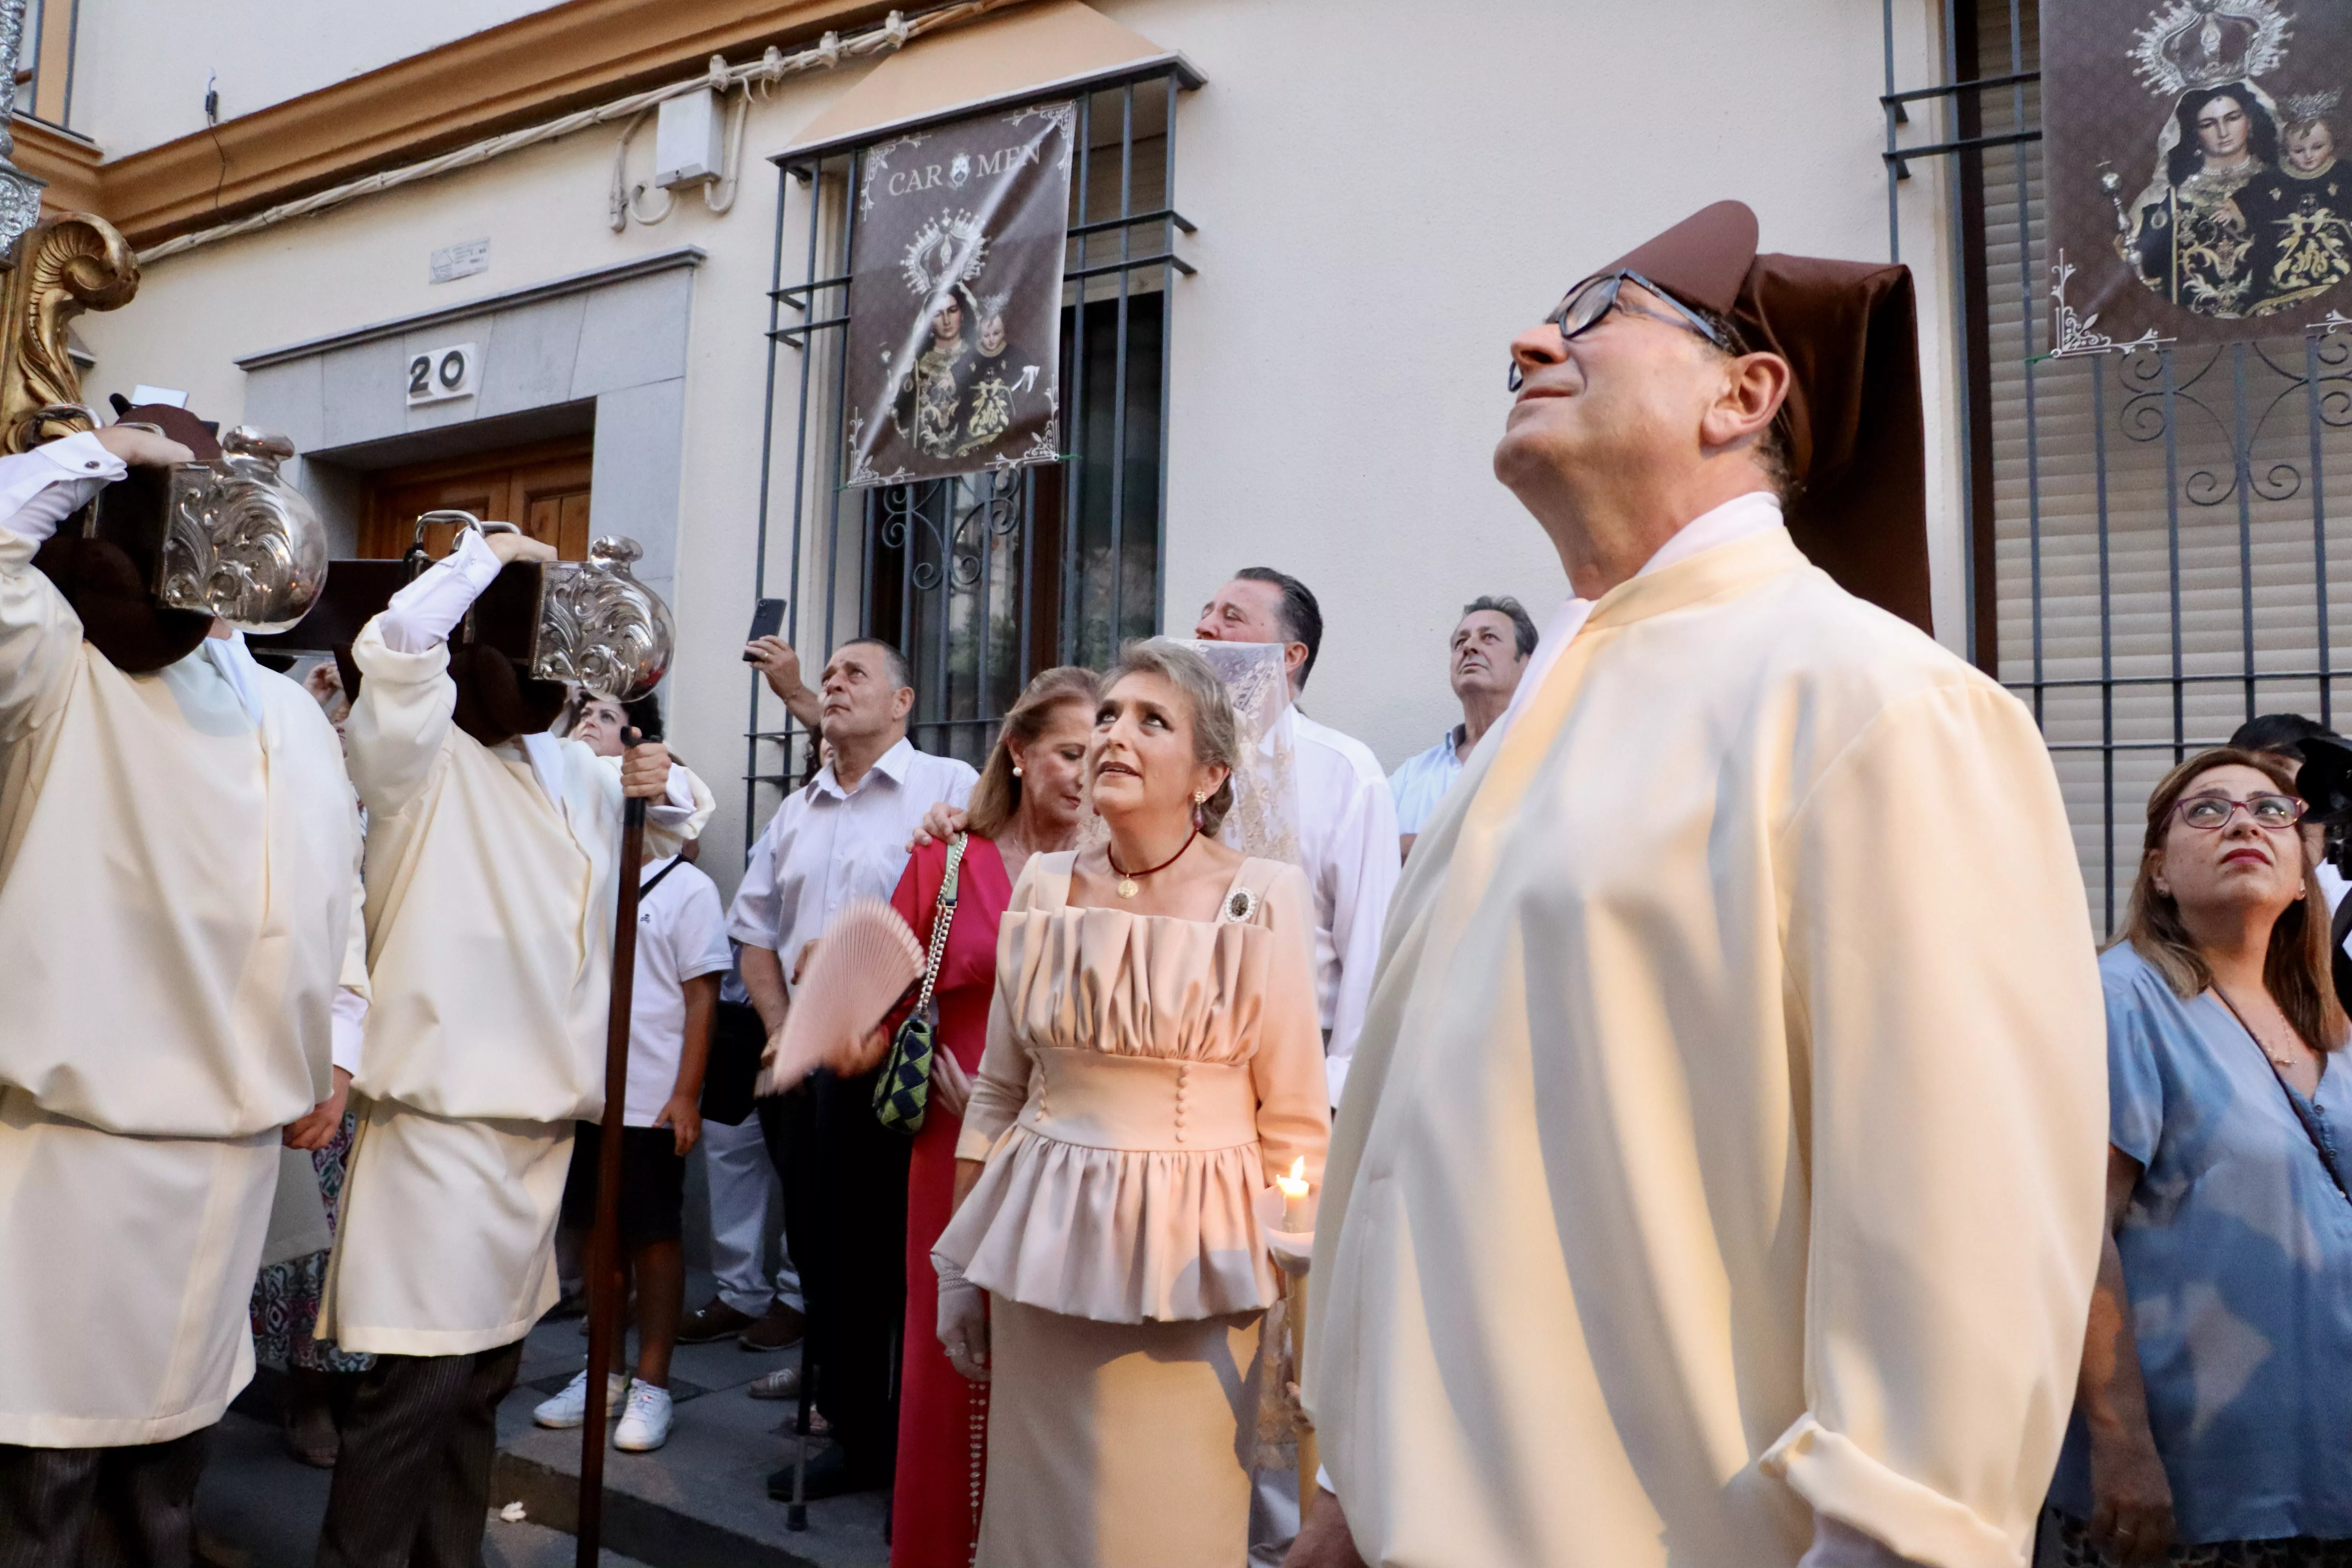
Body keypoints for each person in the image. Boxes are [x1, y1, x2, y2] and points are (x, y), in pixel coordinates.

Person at [1289, 201, 2107, 1568]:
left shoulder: (1877, 705)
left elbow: (1958, 1208)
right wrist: (1347, 1490)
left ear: (1746, 391)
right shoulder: (1521, 739)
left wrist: (1892, 1540)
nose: (1532, 341)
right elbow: (1416, 1125)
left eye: (1599, 311)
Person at [0, 420, 366, 1566]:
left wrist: (340, 1038)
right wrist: (100, 456)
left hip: (237, 1151)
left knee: (171, 1466)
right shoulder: (62, 672)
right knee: (43, 1467)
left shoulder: (297, 712)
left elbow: (335, 895)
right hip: (73, 1152)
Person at [314, 524, 707, 1568]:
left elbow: (676, 814)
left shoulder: (565, 769)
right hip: (438, 1129)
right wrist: (490, 555)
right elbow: (397, 641)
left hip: (539, 1132)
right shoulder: (416, 755)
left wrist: (653, 773)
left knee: (481, 1386)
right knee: (415, 1393)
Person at [933, 639, 1330, 1568]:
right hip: (1040, 1259)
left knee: (1162, 1531)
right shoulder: (1042, 886)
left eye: (1153, 721)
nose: (1115, 734)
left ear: (1211, 773)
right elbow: (998, 1087)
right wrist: (956, 1268)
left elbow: (1298, 1122)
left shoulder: (1262, 896)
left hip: (1195, 1270)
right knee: (1040, 1531)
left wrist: (1302, 1313)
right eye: (1108, 714)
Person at [2049, 747, 2352, 1567]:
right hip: (2198, 1493)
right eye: (2207, 810)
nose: (2244, 821)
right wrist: (2122, 1444)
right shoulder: (2123, 1000)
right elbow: (2075, 1231)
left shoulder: (2332, 1028)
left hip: (2330, 1484)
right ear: (2159, 871)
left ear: (2304, 872)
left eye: (2272, 811)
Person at [728, 637, 978, 1499]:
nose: (832, 685)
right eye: (826, 676)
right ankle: (854, 1430)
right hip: (804, 1062)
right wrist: (777, 1024)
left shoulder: (950, 787)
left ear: (903, 701)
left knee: (896, 1251)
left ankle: (918, 1431)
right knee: (822, 1250)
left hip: (898, 1061)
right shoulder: (798, 809)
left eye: (854, 674)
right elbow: (754, 930)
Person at [884, 665, 1098, 1568]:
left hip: (1068, 1144)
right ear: (1017, 751)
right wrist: (929, 1059)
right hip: (954, 1142)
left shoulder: (1116, 872)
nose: (1086, 774)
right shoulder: (946, 859)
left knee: (1051, 1357)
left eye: (1102, 754)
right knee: (946, 1358)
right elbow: (890, 988)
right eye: (1068, 752)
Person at [534, 698, 732, 1454]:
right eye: (581, 712)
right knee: (595, 1238)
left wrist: (686, 1094)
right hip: (590, 1090)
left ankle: (652, 1383)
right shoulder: (587, 873)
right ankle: (601, 1370)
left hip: (652, 1096)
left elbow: (700, 996)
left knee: (653, 1236)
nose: (589, 720)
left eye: (608, 714)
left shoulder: (687, 889)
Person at [1194, 568, 1399, 1106]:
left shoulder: (1344, 771)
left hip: (1299, 1065)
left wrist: (1333, 1089)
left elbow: (1371, 941)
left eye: (1231, 617)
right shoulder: (1175, 760)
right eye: (1207, 612)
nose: (1205, 628)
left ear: (1290, 655)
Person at [1386, 595, 1538, 859]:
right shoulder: (1412, 775)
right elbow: (1360, 850)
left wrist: (1416, 848)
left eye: (1488, 637)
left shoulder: (1550, 759)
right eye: (1460, 641)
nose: (1469, 647)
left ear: (1528, 664)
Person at [2123, 83, 2278, 316]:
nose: (2223, 132)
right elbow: (2142, 272)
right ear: (2195, 134)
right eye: (2209, 124)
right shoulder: (2166, 198)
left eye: (2233, 118)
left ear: (2250, 121)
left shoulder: (2281, 184)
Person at [2244, 90, 2352, 312]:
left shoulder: (2343, 174)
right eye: (2299, 150)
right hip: (2284, 265)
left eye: (2317, 147)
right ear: (2287, 151)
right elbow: (2252, 203)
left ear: (2331, 145)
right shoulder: (2271, 180)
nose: (2309, 156)